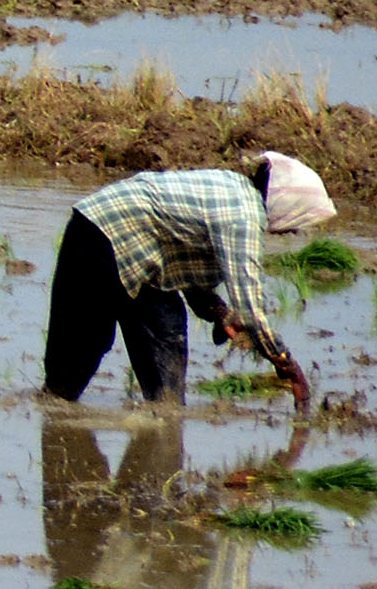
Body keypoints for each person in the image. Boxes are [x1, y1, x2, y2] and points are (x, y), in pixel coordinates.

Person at [45, 152, 332, 410]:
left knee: (162, 345)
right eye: (299, 220)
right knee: (79, 356)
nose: (292, 232)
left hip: (117, 239)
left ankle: (162, 426)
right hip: (100, 237)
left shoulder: (232, 188)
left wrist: (218, 312)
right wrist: (287, 364)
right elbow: (251, 311)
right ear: (289, 204)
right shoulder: (243, 217)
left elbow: (180, 259)